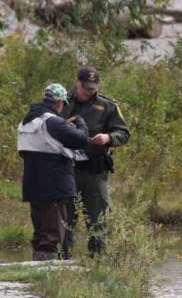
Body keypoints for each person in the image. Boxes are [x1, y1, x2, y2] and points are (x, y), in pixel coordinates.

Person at [61, 66, 130, 257]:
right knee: (65, 219)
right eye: (85, 87)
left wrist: (108, 138)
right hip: (67, 168)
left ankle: (97, 262)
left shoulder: (108, 106)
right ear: (77, 83)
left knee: (97, 218)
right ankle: (63, 262)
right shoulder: (62, 102)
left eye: (92, 88)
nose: (88, 91)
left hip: (94, 170)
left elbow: (123, 133)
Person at [17, 83, 89, 261]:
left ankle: (36, 270)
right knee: (52, 235)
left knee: (40, 233)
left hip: (33, 186)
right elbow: (80, 140)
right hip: (54, 187)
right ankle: (45, 275)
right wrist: (80, 124)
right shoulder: (53, 121)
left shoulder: (27, 121)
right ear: (59, 103)